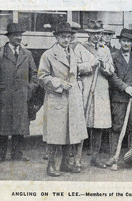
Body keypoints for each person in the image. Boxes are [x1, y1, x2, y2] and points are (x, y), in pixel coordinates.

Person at [38, 22, 88, 176]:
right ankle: (51, 165)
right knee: (55, 133)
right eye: (63, 37)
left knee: (70, 132)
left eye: (69, 37)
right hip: (57, 98)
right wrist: (59, 83)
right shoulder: (48, 55)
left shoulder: (72, 53)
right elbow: (42, 76)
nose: (66, 40)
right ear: (56, 37)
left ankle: (65, 163)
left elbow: (75, 73)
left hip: (72, 98)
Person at [74, 20, 114, 169]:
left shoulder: (105, 49)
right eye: (94, 34)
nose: (97, 37)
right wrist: (91, 64)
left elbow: (111, 70)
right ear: (88, 34)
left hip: (101, 90)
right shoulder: (80, 48)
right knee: (82, 123)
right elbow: (75, 68)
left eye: (99, 34)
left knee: (99, 125)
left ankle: (95, 157)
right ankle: (77, 158)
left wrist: (104, 65)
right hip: (86, 89)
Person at [0, 23, 38, 163]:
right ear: (9, 37)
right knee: (2, 126)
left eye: (20, 35)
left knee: (20, 126)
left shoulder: (27, 54)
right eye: (16, 35)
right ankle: (0, 155)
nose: (19, 38)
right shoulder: (0, 53)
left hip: (22, 96)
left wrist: (29, 89)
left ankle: (17, 153)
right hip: (5, 96)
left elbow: (35, 74)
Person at [107, 28, 132, 167]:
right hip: (119, 98)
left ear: (131, 43)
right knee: (117, 127)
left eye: (128, 41)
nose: (126, 44)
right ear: (119, 41)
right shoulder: (113, 56)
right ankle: (114, 156)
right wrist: (126, 88)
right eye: (123, 41)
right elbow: (113, 77)